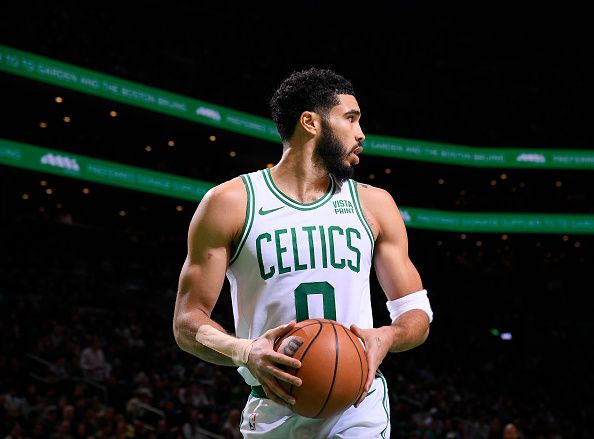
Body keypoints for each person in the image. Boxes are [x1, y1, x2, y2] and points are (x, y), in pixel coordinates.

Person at [173, 67, 433, 438]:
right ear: (310, 122)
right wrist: (244, 351)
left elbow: (415, 310)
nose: (361, 134)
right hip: (271, 407)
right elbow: (187, 322)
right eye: (351, 119)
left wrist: (387, 336)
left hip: (356, 406)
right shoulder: (229, 203)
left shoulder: (375, 205)